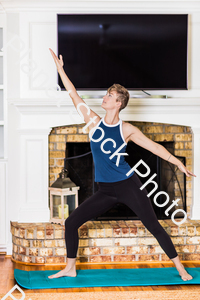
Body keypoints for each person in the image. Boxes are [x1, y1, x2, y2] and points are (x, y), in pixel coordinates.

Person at [48, 48, 196, 281]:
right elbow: (73, 94)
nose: (104, 97)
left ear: (118, 103)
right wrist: (60, 70)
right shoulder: (94, 122)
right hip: (105, 190)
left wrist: (178, 163)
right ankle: (70, 267)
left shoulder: (126, 129)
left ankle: (180, 268)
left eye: (109, 96)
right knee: (71, 222)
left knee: (154, 226)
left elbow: (155, 148)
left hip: (129, 185)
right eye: (106, 94)